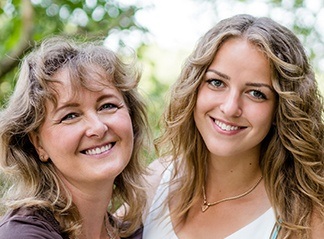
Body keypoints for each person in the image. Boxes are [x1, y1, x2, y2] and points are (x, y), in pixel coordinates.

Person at [143, 14, 324, 239]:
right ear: (194, 88)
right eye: (217, 82)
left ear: (281, 109)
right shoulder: (158, 179)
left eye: (256, 93)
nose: (230, 108)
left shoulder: (306, 218)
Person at [0, 36, 149, 239]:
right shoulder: (22, 235)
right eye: (70, 116)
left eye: (107, 106)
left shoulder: (134, 233)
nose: (97, 128)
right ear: (38, 144)